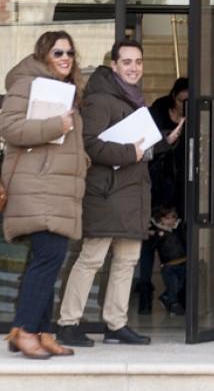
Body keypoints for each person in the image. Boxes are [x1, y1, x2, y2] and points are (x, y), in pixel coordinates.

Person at [0, 31, 89, 359]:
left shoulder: (66, 90)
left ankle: (41, 330)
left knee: (49, 259)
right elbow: (9, 128)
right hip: (37, 186)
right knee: (49, 256)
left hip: (56, 188)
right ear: (43, 54)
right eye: (58, 52)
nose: (66, 58)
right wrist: (54, 126)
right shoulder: (27, 84)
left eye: (70, 53)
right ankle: (24, 330)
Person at [56, 40, 154, 347]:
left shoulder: (133, 99)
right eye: (127, 62)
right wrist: (131, 152)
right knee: (91, 259)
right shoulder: (100, 99)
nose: (133, 67)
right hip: (106, 195)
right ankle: (68, 322)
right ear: (113, 65)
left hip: (131, 195)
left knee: (127, 260)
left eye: (138, 62)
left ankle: (116, 323)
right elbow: (90, 145)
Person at [135, 77, 187, 313]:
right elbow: (148, 146)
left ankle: (176, 295)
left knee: (178, 245)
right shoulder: (157, 112)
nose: (184, 105)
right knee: (148, 244)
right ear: (173, 96)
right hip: (154, 186)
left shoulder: (195, 116)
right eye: (181, 100)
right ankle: (144, 293)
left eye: (189, 100)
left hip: (180, 188)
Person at [147, 204, 186, 316]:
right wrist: (155, 234)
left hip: (182, 262)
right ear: (160, 220)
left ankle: (165, 297)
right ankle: (174, 305)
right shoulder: (159, 232)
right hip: (169, 266)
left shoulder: (178, 229)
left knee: (179, 285)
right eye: (167, 218)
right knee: (173, 285)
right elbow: (153, 245)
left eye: (173, 217)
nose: (171, 220)